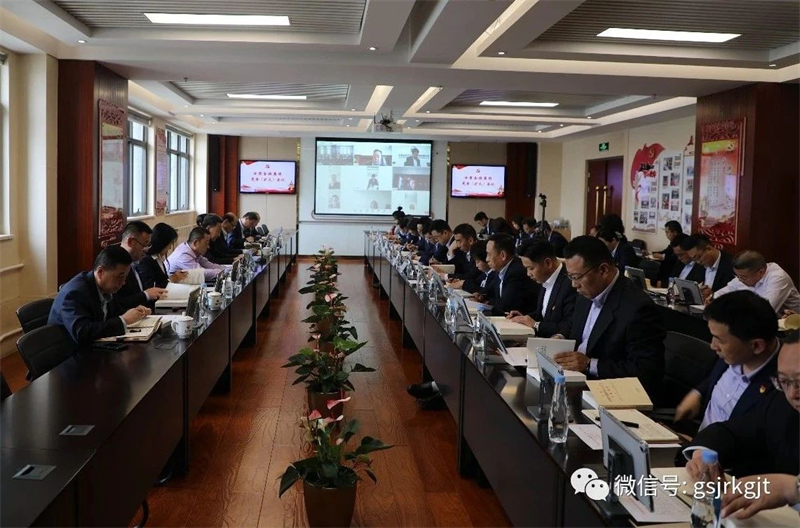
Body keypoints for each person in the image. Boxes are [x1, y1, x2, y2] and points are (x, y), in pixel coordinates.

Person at [556, 236, 665, 399]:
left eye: (577, 277)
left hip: (611, 394)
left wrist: (589, 364)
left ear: (603, 270)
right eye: (570, 277)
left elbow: (645, 371)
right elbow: (575, 324)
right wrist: (559, 337)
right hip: (575, 381)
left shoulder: (638, 308)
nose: (574, 285)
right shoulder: (586, 292)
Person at [684, 330, 798, 479]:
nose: (792, 394)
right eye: (784, 381)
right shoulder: (782, 405)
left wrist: (792, 488)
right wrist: (703, 453)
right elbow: (732, 432)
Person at [674, 291, 780, 433]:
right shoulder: (736, 353)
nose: (713, 346)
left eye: (720, 340)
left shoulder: (783, 388)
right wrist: (698, 393)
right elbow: (714, 379)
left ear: (756, 346)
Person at [48, 245, 151, 345]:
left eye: (125, 277)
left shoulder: (106, 287)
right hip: (72, 352)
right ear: (101, 272)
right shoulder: (75, 293)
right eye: (120, 277)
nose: (123, 282)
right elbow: (82, 332)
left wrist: (135, 313)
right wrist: (124, 320)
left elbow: (113, 313)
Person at [506, 240, 577, 338]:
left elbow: (569, 325)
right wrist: (524, 317)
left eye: (531, 268)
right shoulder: (544, 278)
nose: (528, 274)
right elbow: (544, 314)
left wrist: (536, 325)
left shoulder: (570, 284)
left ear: (548, 263)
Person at [709, 251, 800, 316]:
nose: (739, 280)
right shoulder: (745, 275)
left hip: (792, 328)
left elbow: (764, 311)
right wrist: (713, 298)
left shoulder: (778, 278)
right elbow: (727, 289)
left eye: (743, 277)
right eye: (737, 276)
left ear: (761, 272)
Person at [477, 234, 539, 316]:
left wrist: (488, 301)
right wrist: (482, 296)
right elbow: (489, 291)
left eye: (489, 254)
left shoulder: (517, 272)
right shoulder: (500, 269)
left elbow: (505, 306)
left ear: (503, 255)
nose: (486, 259)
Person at [115, 221, 168, 310]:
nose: (146, 250)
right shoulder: (116, 264)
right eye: (144, 244)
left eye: (148, 245)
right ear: (130, 242)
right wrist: (146, 294)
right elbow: (117, 303)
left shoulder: (135, 262)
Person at [135, 223, 188, 288]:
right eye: (169, 244)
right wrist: (171, 280)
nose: (170, 248)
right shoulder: (145, 260)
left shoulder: (158, 257)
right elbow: (150, 287)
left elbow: (162, 279)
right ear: (162, 243)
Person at [648, 220, 682, 287]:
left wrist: (662, 256)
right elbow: (665, 251)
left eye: (667, 232)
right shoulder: (672, 243)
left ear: (675, 233)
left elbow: (675, 258)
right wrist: (650, 252)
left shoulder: (682, 243)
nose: (666, 235)